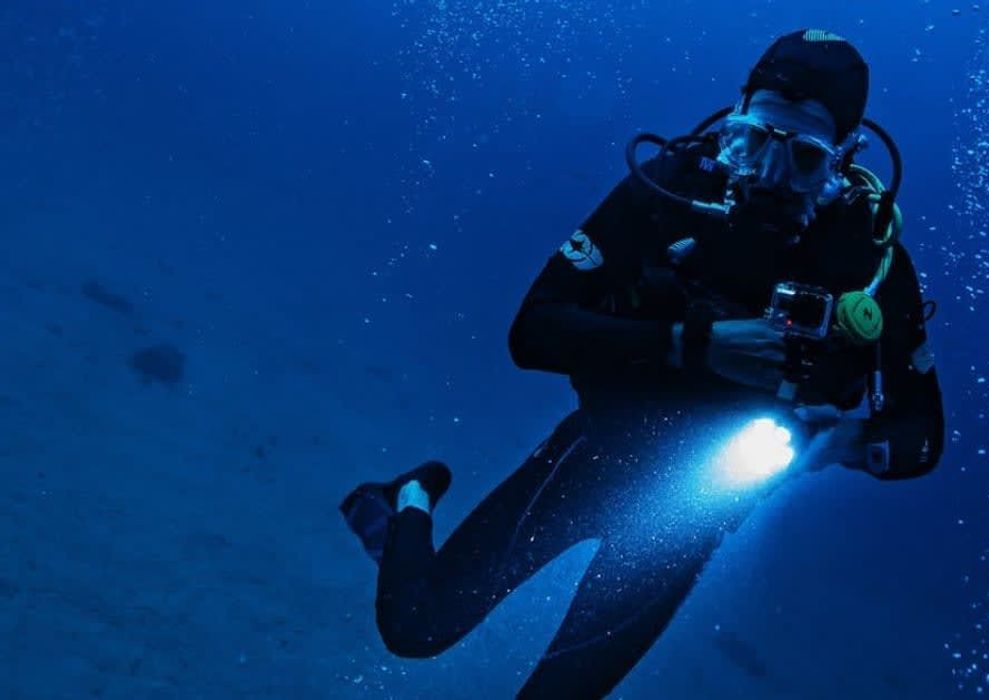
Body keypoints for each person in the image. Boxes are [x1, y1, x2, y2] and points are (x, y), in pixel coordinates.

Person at [340, 29, 944, 699]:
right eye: (755, 142)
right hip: (595, 453)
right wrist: (693, 343)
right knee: (415, 630)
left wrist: (844, 442)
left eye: (802, 157)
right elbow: (532, 331)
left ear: (842, 156)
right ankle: (409, 498)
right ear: (735, 118)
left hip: (695, 512)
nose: (770, 175)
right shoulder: (669, 190)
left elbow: (921, 435)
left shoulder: (867, 257)